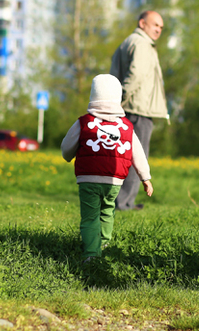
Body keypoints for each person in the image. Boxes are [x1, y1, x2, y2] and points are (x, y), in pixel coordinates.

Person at [61, 74, 154, 261]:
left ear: (93, 96)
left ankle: (91, 254)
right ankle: (103, 244)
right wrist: (145, 178)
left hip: (88, 179)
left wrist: (68, 156)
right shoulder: (126, 127)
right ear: (118, 98)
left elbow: (66, 147)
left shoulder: (84, 122)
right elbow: (138, 153)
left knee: (90, 216)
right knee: (107, 211)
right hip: (114, 180)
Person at [110, 10, 169, 211]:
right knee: (137, 157)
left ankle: (122, 201)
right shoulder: (142, 44)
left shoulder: (128, 41)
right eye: (155, 25)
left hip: (129, 108)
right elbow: (135, 75)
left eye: (161, 27)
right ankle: (124, 203)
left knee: (124, 155)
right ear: (142, 23)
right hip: (137, 109)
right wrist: (121, 99)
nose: (158, 30)